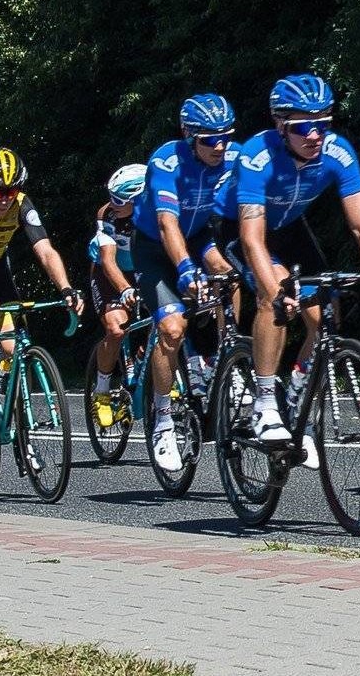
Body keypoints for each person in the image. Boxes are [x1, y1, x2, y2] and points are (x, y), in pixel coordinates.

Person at [234, 73, 360, 468]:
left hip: (291, 227)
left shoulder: (338, 153)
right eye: (303, 127)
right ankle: (264, 403)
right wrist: (277, 291)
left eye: (324, 124)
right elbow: (252, 240)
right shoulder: (256, 156)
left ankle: (297, 390)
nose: (315, 135)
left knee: (326, 313)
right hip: (243, 230)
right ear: (281, 126)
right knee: (271, 299)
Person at [131, 93, 239, 472]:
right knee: (173, 328)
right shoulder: (167, 160)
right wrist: (185, 269)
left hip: (199, 238)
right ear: (189, 136)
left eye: (225, 136)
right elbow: (166, 224)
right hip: (155, 246)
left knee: (236, 279)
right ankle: (162, 421)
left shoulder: (234, 157)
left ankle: (234, 365)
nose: (220, 146)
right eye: (210, 139)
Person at [0, 147, 83, 414]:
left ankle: (3, 393)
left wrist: (66, 288)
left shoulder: (22, 203)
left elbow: (45, 250)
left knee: (11, 348)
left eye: (13, 191)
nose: (6, 199)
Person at [88, 164, 146, 429]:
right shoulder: (107, 215)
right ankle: (101, 390)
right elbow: (109, 262)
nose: (113, 204)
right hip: (108, 273)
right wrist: (125, 290)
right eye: (111, 196)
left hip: (144, 270)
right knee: (116, 329)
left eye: (120, 199)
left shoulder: (160, 212)